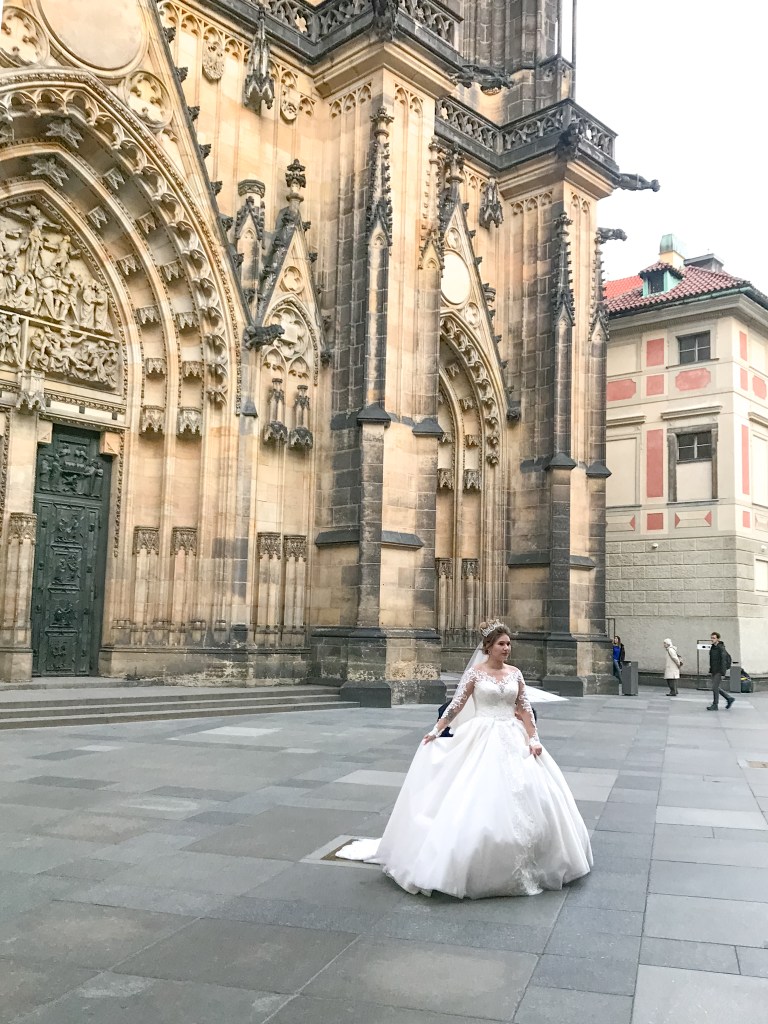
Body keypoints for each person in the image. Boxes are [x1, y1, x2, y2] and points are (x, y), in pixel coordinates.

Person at [337, 619, 592, 899]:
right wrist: (436, 730)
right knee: (476, 795)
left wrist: (534, 739)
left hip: (512, 734)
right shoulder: (475, 674)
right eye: (501, 644)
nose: (507, 648)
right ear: (489, 647)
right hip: (481, 735)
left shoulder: (516, 674)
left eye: (508, 644)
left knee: (531, 793)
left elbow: (524, 707)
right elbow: (457, 704)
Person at [707, 631, 734, 710]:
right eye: (711, 638)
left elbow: (723, 661)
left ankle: (715, 704)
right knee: (716, 687)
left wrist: (723, 673)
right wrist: (711, 669)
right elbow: (712, 660)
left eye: (714, 638)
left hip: (719, 670)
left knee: (714, 687)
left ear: (718, 639)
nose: (712, 639)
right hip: (714, 670)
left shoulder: (721, 648)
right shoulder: (713, 647)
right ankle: (729, 698)